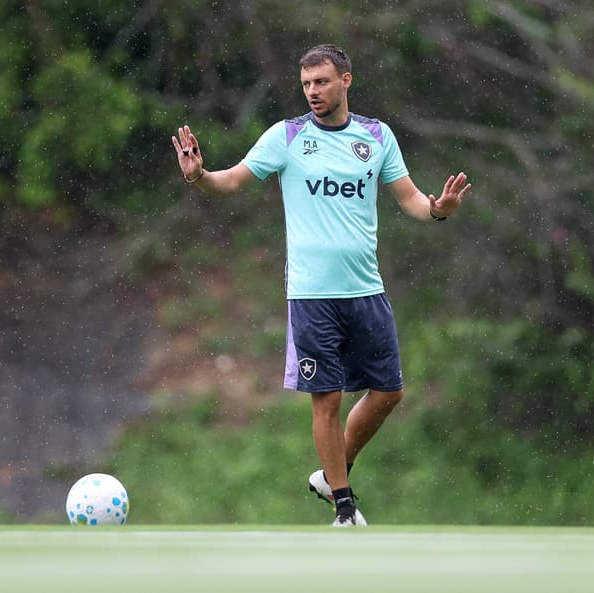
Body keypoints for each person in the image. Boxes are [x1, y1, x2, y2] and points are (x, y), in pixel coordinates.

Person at [171, 44, 470, 527]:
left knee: (388, 393)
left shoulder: (376, 136)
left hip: (366, 289)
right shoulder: (286, 137)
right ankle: (345, 507)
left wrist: (439, 211)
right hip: (311, 295)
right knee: (327, 398)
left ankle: (332, 473)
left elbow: (411, 199)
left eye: (322, 82)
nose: (313, 91)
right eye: (307, 83)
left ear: (346, 81)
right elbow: (229, 182)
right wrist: (199, 175)